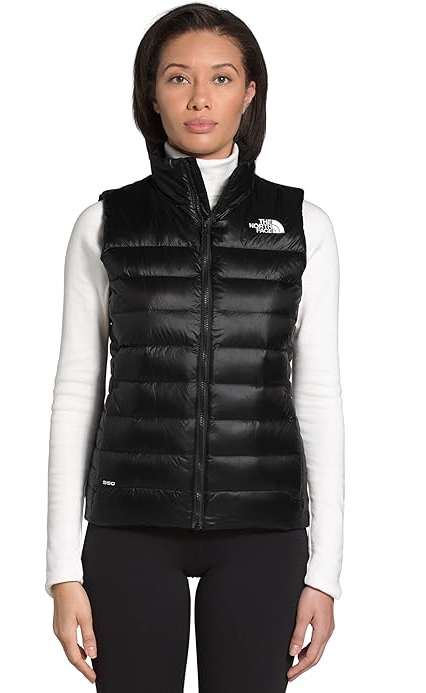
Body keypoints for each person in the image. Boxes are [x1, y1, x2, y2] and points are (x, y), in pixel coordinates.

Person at [45, 4, 345, 692]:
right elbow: (76, 392)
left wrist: (324, 573)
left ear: (250, 93)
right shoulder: (105, 223)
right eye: (178, 77)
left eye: (222, 78)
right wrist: (62, 569)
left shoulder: (304, 225)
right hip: (130, 524)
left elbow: (319, 395)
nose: (200, 98)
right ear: (152, 94)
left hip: (262, 527)